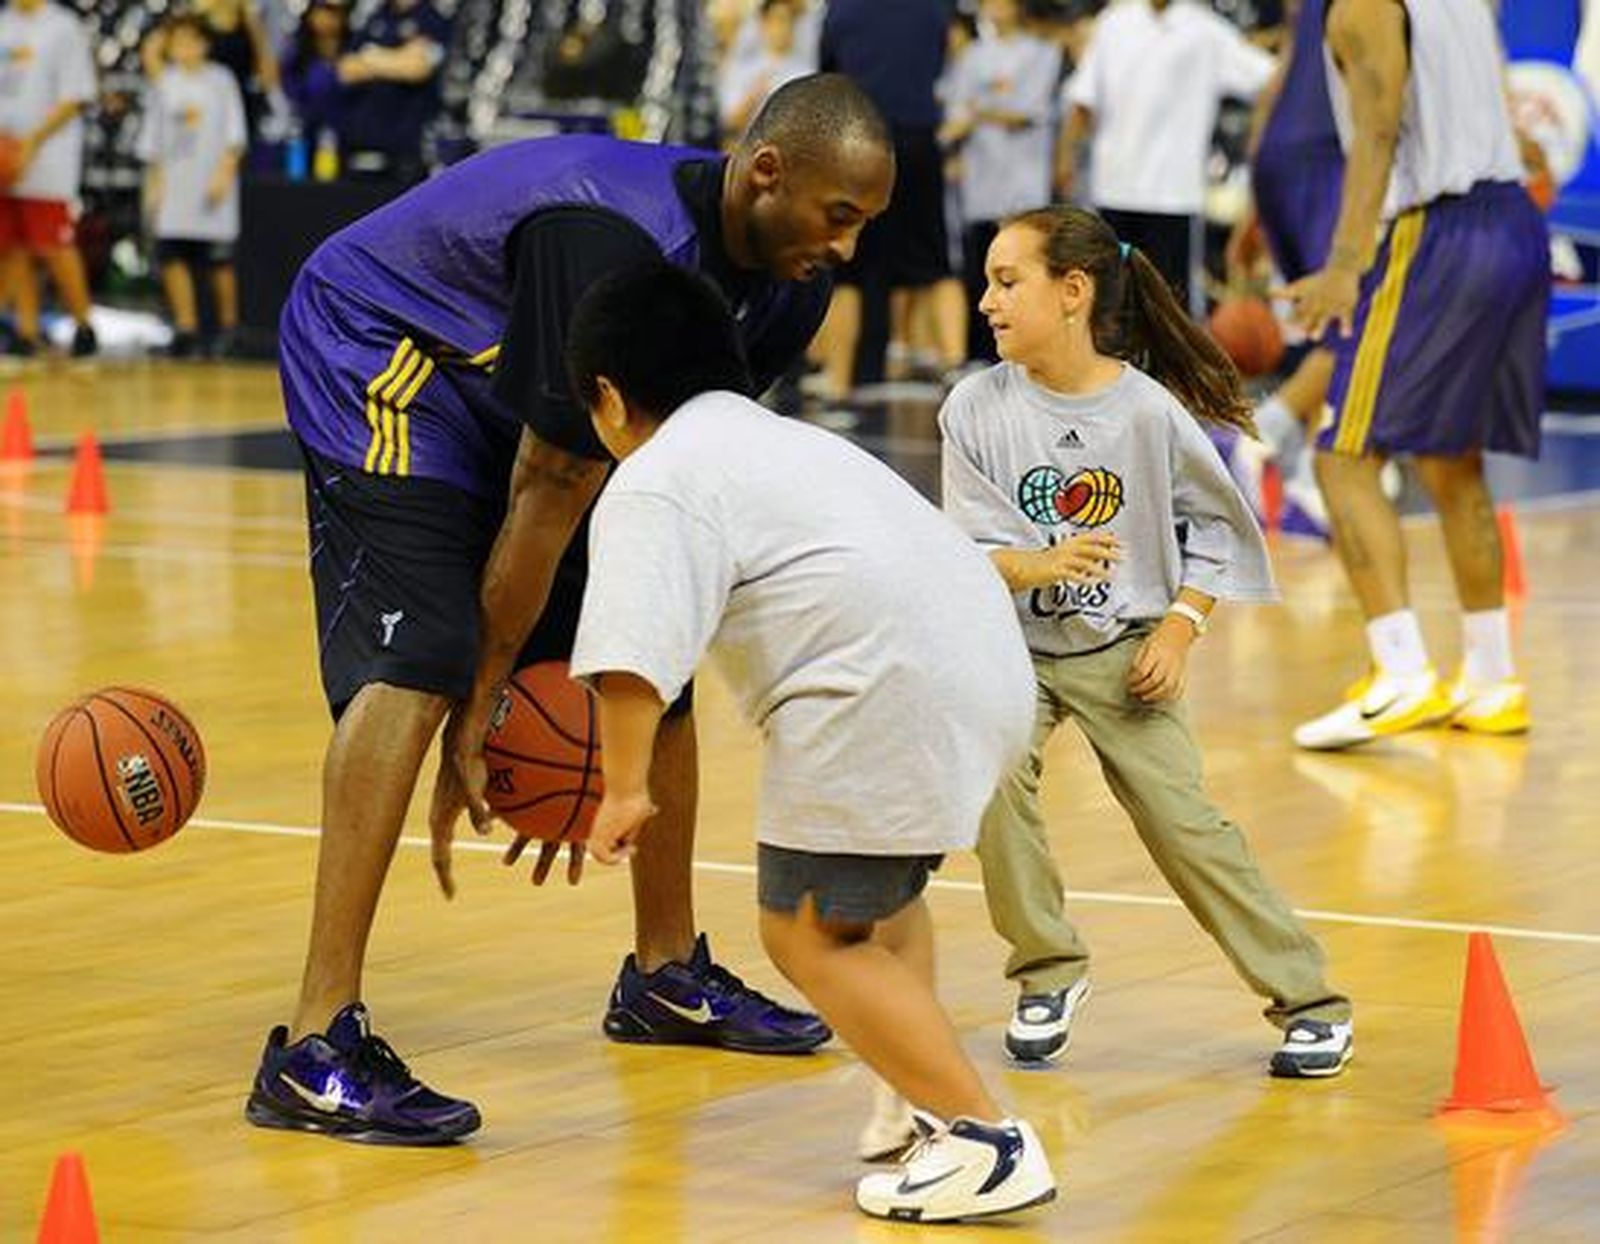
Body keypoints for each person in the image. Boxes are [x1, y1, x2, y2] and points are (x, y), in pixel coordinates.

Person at [243, 74, 896, 1147]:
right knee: (428, 653)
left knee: (663, 634)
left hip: (516, 395)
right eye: (839, 217)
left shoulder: (789, 284)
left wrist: (613, 699)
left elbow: (671, 477)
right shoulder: (604, 240)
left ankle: (664, 975)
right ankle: (315, 1043)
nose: (849, 249)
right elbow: (550, 484)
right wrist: (490, 700)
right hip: (381, 346)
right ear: (766, 170)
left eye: (866, 225)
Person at [566, 261, 1054, 1224]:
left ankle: (984, 1140)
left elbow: (629, 660)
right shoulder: (786, 440)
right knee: (876, 902)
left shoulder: (656, 479)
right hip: (988, 668)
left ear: (609, 398)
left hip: (882, 689)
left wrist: (625, 791)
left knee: (805, 925)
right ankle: (926, 1107)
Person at [940, 205, 1353, 1077]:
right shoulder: (973, 408)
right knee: (992, 781)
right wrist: (1037, 564)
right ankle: (1048, 970)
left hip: (1124, 648)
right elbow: (964, 552)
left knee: (1185, 826)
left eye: (1007, 282)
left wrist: (1179, 625)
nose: (986, 302)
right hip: (1012, 649)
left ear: (1074, 292)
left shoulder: (1148, 413)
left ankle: (1311, 1001)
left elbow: (1220, 529)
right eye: (987, 283)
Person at [1285, 0, 1548, 749]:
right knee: (1451, 461)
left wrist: (1343, 264)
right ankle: (1492, 679)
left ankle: (1400, 670)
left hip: (1439, 230)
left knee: (1342, 455)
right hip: (1512, 220)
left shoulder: (1364, 6)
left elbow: (1377, 128)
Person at [1059, 0, 1274, 314]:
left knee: (1171, 307)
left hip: (1174, 194)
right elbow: (1084, 97)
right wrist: (1065, 157)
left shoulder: (1204, 29)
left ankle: (1170, 366)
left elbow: (1268, 78)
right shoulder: (1114, 22)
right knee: (1114, 303)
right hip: (1114, 190)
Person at [1222, 0, 1342, 539]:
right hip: (1327, 158)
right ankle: (1261, 440)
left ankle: (1310, 481)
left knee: (1331, 329)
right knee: (1354, 322)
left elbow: (1277, 83)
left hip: (1278, 158)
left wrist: (1254, 200)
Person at [940, 0, 1061, 363]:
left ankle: (1029, 349)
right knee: (982, 272)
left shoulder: (1042, 52)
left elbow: (1028, 111)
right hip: (981, 185)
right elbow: (955, 111)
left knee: (1025, 272)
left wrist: (979, 112)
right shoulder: (973, 56)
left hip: (1023, 186)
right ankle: (982, 354)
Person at [139, 14, 248, 359]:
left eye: (191, 40)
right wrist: (156, 186)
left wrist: (224, 174)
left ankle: (229, 330)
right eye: (178, 41)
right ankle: (186, 328)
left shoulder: (221, 81)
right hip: (176, 185)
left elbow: (235, 135)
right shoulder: (165, 84)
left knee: (218, 260)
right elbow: (153, 142)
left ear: (205, 44)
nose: (184, 48)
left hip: (211, 183)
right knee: (173, 257)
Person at [0, 0, 97, 358]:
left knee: (54, 245)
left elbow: (76, 97)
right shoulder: (5, 20)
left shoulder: (62, 25)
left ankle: (84, 326)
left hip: (48, 153)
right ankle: (26, 331)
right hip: (7, 152)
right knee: (12, 247)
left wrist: (30, 143)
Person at [336, 0, 450, 183]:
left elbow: (417, 69)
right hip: (362, 142)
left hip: (407, 150)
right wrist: (399, 58)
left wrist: (371, 56)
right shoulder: (376, 15)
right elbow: (346, 70)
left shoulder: (431, 18)